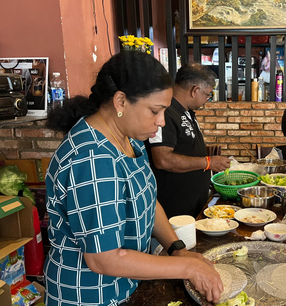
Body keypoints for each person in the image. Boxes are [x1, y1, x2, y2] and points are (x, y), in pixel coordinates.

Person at [44, 51, 223, 306]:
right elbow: (103, 259)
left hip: (127, 287)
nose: (161, 121)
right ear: (120, 101)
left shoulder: (128, 139)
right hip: (91, 296)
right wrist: (187, 268)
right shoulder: (92, 158)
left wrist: (177, 249)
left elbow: (148, 201)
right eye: (155, 111)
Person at [145, 62, 230, 218]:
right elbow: (163, 159)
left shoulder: (186, 111)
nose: (207, 99)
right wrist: (208, 162)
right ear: (195, 90)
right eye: (207, 94)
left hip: (192, 207)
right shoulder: (166, 112)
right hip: (174, 212)